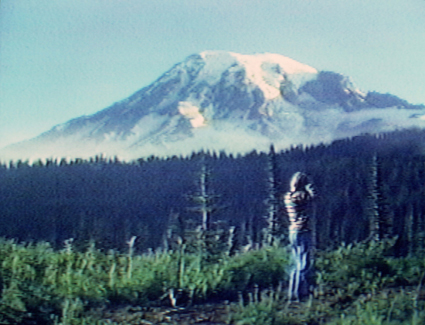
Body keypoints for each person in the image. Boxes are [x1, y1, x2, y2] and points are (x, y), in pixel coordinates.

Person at [284, 172, 315, 301]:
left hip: (293, 231)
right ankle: (300, 293)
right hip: (302, 231)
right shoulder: (300, 196)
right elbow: (313, 198)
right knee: (304, 264)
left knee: (297, 263)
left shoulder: (288, 196)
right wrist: (310, 189)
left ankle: (293, 291)